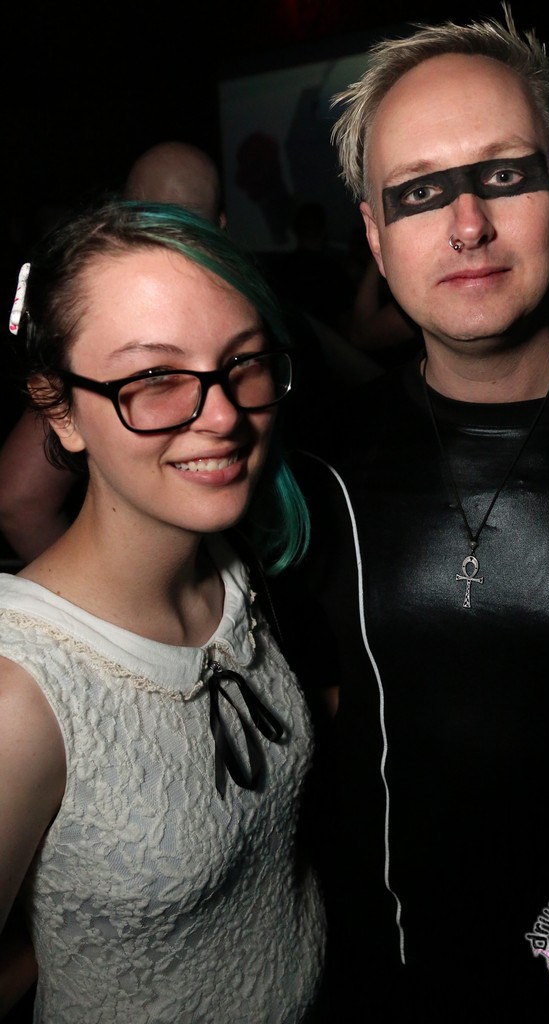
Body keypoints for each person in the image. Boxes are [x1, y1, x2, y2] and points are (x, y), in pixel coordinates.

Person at [278, 5, 549, 1020]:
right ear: (373, 236)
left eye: (503, 175)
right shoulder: (312, 467)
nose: (467, 224)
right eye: (418, 191)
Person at [0, 200, 325, 1022]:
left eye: (244, 363)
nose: (223, 416)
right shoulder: (19, 695)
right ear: (60, 409)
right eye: (153, 379)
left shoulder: (237, 571)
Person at [0, 142, 227, 565]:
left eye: (185, 227)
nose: (223, 417)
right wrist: (106, 600)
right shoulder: (103, 332)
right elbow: (18, 500)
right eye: (155, 376)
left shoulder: (264, 316)